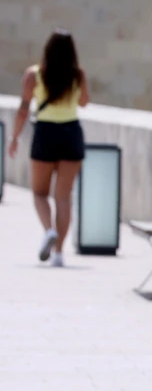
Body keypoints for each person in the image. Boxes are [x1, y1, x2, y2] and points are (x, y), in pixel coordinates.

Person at [6, 30, 90, 267]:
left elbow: (24, 109)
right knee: (63, 197)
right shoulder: (78, 74)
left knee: (40, 193)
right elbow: (83, 102)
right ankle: (59, 254)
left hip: (45, 133)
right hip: (71, 133)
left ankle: (48, 231)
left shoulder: (34, 75)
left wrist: (14, 138)